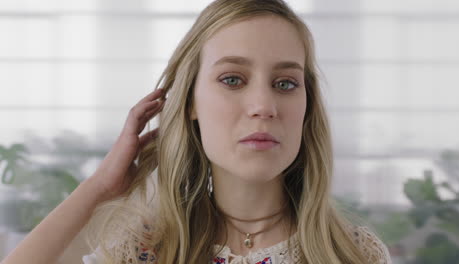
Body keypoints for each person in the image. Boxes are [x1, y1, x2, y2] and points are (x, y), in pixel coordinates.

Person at [2, 0, 392, 263]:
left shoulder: (354, 254)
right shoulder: (143, 252)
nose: (264, 106)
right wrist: (101, 187)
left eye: (286, 83)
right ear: (190, 102)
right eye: (233, 79)